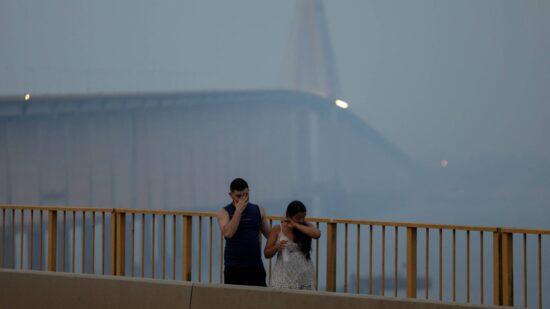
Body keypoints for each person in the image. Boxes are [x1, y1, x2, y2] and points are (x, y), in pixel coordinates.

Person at [217, 178, 271, 286]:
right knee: (235, 300)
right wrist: (238, 211)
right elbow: (228, 233)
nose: (243, 199)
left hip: (255, 265)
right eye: (238, 196)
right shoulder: (224, 212)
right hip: (234, 266)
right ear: (230, 195)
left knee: (260, 299)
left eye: (245, 195)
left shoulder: (258, 210)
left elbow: (269, 234)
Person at [264, 200, 321, 290]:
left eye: (303, 217)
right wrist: (276, 247)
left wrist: (295, 224)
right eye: (298, 218)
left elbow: (317, 234)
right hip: (284, 271)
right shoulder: (278, 228)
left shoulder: (306, 226)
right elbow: (266, 253)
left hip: (303, 270)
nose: (301, 220)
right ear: (289, 216)